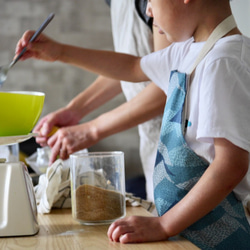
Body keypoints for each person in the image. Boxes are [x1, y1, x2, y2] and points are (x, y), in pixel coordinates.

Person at [15, 0, 250, 248]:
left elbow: (230, 165)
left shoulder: (223, 62)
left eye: (150, 0)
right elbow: (133, 66)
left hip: (220, 238)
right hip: (188, 233)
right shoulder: (188, 52)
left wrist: (164, 224)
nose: (147, 10)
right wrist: (59, 52)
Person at [31, 0, 169, 202]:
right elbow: (134, 65)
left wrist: (91, 130)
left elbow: (166, 81)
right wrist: (75, 110)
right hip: (154, 151)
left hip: (182, 147)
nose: (150, 10)